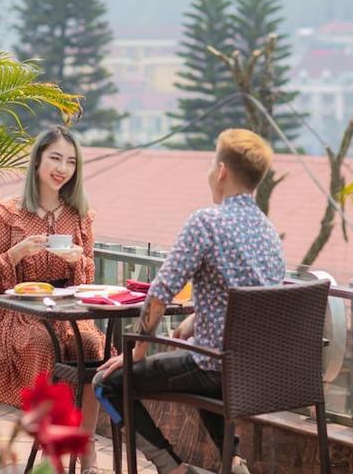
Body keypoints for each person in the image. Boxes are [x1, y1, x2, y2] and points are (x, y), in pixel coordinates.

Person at [95, 129, 287, 474]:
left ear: (223, 171)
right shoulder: (268, 231)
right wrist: (198, 317)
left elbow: (160, 292)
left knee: (107, 384)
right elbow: (250, 296)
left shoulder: (205, 222)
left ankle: (172, 468)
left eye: (213, 163)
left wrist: (137, 351)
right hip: (255, 371)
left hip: (214, 368)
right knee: (199, 356)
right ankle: (235, 464)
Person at [0, 125, 105, 473]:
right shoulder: (6, 212)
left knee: (94, 345)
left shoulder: (80, 215)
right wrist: (16, 254)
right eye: (55, 158)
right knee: (40, 345)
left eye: (70, 161)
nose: (62, 168)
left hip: (67, 308)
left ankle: (86, 445)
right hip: (22, 312)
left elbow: (89, 272)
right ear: (37, 160)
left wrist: (77, 261)